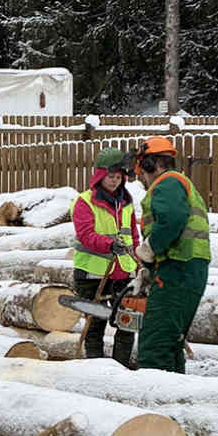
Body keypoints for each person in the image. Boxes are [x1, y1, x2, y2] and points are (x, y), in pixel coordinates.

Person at [130, 136, 211, 374]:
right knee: (171, 344)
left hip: (178, 270)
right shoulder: (178, 183)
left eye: (142, 173)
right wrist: (150, 268)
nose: (142, 180)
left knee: (155, 345)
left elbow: (172, 220)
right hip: (183, 268)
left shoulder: (167, 183)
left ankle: (153, 405)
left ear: (148, 165)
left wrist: (149, 248)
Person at [70, 147, 140, 365]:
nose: (115, 181)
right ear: (100, 175)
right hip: (93, 272)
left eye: (119, 177)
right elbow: (86, 234)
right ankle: (96, 366)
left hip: (123, 271)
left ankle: (120, 366)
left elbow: (133, 234)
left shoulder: (126, 203)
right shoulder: (84, 202)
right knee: (95, 323)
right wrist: (109, 244)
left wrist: (138, 259)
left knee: (128, 323)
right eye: (111, 176)